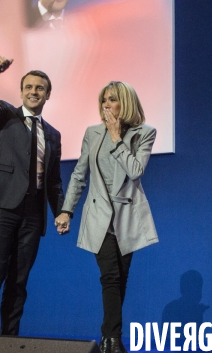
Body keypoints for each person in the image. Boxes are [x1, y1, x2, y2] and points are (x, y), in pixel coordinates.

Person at [54, 81, 158, 353]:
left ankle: (108, 336)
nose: (107, 106)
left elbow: (135, 170)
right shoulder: (92, 133)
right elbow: (80, 173)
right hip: (99, 214)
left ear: (126, 103)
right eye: (104, 100)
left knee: (121, 279)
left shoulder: (144, 133)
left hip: (127, 218)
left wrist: (116, 138)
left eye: (112, 100)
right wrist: (67, 210)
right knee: (110, 276)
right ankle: (112, 341)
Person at [0, 55, 65, 335]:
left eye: (39, 88)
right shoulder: (4, 114)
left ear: (48, 94)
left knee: (18, 281)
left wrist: (61, 210)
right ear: (21, 92)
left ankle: (9, 340)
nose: (33, 92)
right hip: (0, 206)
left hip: (32, 214)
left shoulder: (53, 134)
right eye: (28, 87)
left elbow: (53, 181)